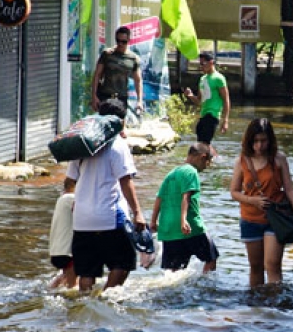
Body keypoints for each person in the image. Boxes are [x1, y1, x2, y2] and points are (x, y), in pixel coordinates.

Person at [65, 98, 146, 292]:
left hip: (82, 220)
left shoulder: (82, 143)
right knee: (124, 263)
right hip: (109, 217)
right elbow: (126, 182)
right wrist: (137, 213)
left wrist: (74, 201)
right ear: (121, 121)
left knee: (87, 272)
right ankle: (105, 298)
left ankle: (86, 304)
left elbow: (69, 182)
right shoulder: (117, 145)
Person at [229, 118, 293, 289]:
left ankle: (274, 307)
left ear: (270, 140)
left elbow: (290, 189)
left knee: (272, 265)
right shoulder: (242, 161)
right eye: (255, 141)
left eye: (263, 141)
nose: (259, 146)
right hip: (250, 218)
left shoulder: (279, 159)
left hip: (275, 218)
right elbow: (234, 192)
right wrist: (252, 200)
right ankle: (257, 308)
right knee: (255, 267)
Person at [150, 142, 219, 274]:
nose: (207, 165)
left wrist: (153, 221)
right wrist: (183, 219)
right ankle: (205, 288)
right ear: (202, 157)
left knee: (174, 271)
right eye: (208, 161)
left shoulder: (171, 173)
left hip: (169, 229)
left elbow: (159, 198)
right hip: (191, 227)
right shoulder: (191, 172)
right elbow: (186, 196)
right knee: (211, 258)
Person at [91, 26, 143, 115]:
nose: (120, 44)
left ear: (128, 40)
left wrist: (139, 101)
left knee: (120, 126)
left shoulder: (133, 58)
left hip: (121, 98)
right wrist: (94, 96)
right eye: (118, 41)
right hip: (105, 96)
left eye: (123, 42)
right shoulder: (107, 54)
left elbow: (138, 80)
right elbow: (97, 75)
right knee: (104, 125)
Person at [183, 51, 230, 147]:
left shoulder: (219, 78)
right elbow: (200, 101)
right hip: (203, 115)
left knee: (204, 144)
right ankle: (210, 159)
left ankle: (208, 159)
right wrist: (190, 95)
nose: (201, 66)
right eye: (200, 64)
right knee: (200, 143)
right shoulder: (202, 79)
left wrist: (225, 120)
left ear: (211, 62)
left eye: (203, 63)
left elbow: (226, 99)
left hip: (212, 115)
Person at [49, 179, 77, 289]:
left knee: (65, 278)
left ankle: (50, 289)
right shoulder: (72, 199)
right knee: (73, 288)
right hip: (67, 252)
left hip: (56, 251)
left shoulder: (61, 199)